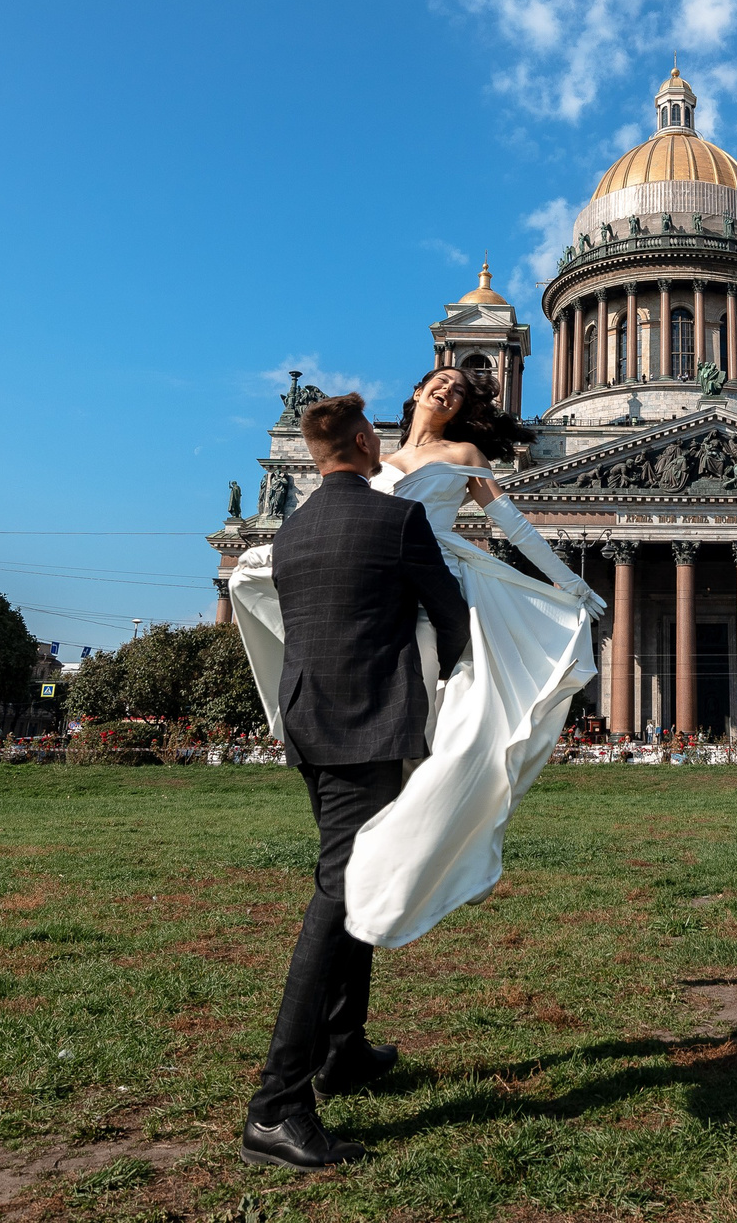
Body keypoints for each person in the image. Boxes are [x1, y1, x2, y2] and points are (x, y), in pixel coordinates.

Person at [230, 392, 468, 1171]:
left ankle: (344, 1047)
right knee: (338, 894)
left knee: (354, 879)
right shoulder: (395, 520)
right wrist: (451, 687)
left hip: (309, 720)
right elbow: (451, 616)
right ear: (366, 440)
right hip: (369, 723)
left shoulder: (292, 531)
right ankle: (277, 1104)